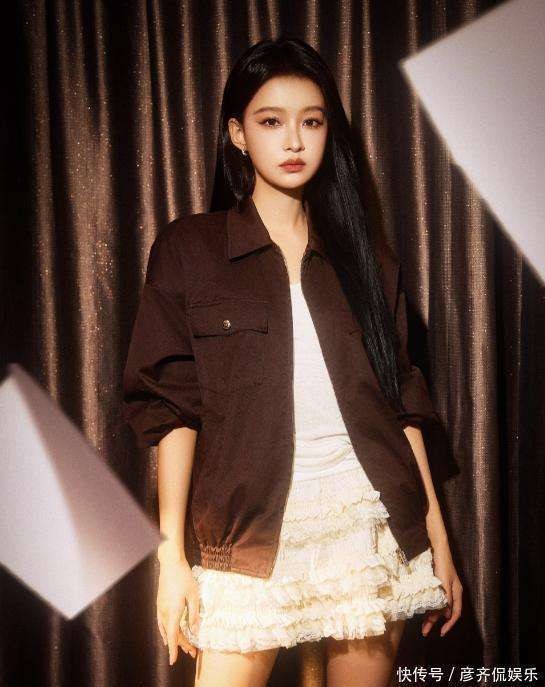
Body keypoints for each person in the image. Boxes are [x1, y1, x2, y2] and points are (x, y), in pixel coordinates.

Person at [122, 36, 463, 687]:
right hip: (246, 533)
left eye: (311, 121)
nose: (293, 140)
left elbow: (402, 404)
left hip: (367, 521)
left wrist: (437, 542)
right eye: (270, 121)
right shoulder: (191, 250)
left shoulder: (365, 259)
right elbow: (171, 409)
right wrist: (172, 559)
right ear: (237, 134)